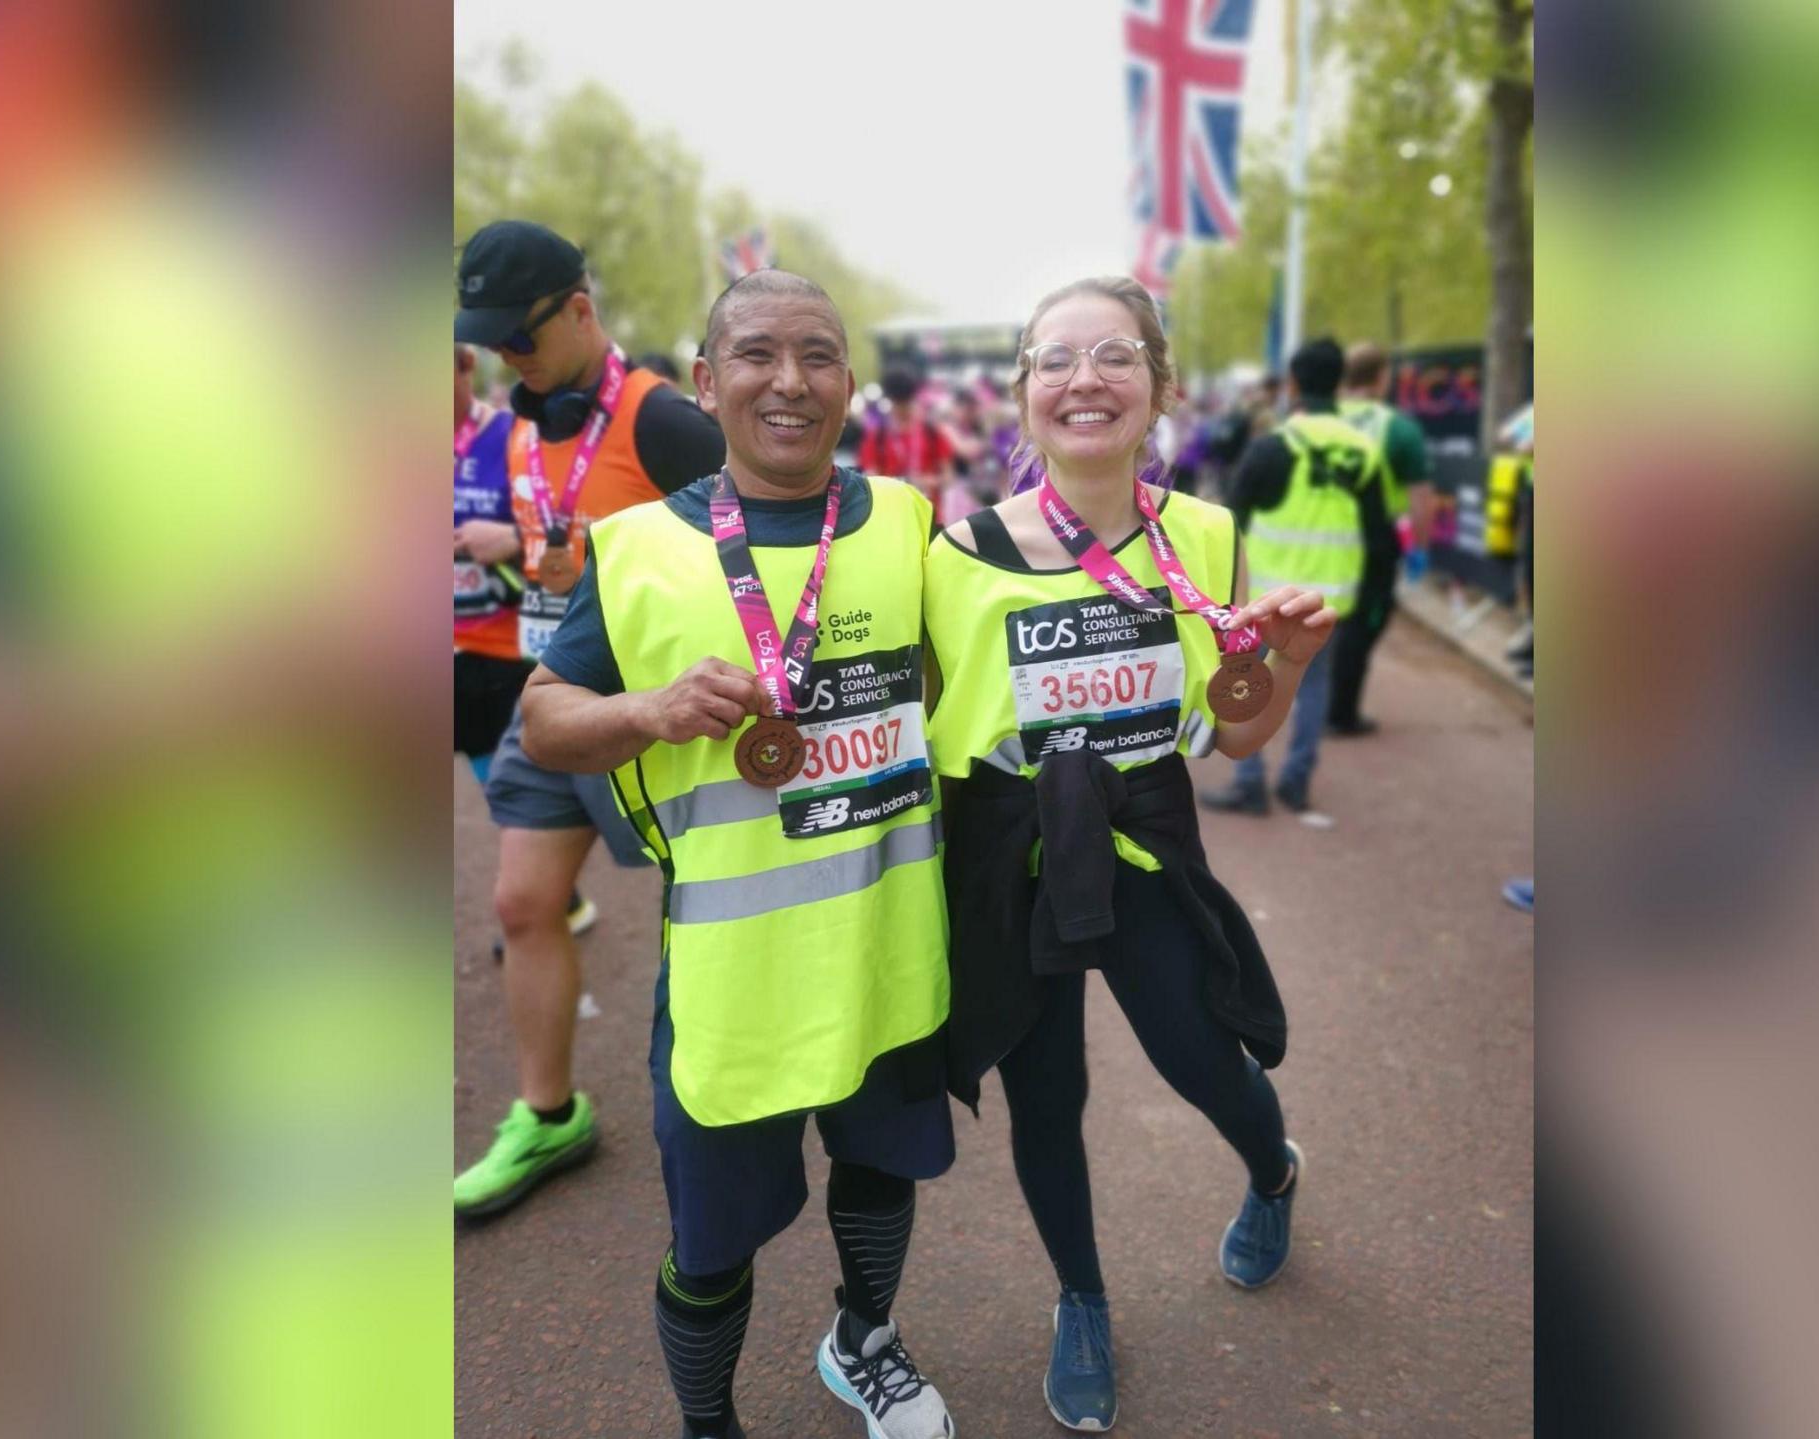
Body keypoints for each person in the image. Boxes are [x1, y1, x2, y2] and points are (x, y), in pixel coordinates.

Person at [518, 269, 958, 1439]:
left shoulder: (909, 522)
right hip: (732, 981)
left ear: (850, 385)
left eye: (818, 354)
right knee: (710, 1243)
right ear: (708, 382)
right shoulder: (638, 548)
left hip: (887, 951)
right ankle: (709, 1422)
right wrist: (646, 710)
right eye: (758, 354)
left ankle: (862, 1339)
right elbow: (544, 715)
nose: (790, 380)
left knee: (884, 1170)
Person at [924, 275, 1331, 1431]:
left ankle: (1275, 1170)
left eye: (1112, 356)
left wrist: (1290, 664)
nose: (1082, 379)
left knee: (1203, 1059)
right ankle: (1082, 1299)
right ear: (1021, 395)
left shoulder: (1203, 533)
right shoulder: (951, 552)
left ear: (1160, 390)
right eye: (1053, 359)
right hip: (1011, 852)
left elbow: (1236, 724)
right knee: (1045, 1097)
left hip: (1144, 836)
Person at [451, 219, 727, 1219]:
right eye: (487, 343)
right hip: (549, 697)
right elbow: (558, 557)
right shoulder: (523, 421)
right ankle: (549, 1111)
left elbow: (749, 545)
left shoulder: (663, 421)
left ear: (579, 309)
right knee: (522, 903)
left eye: (517, 338)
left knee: (700, 908)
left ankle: (738, 1091)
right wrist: (520, 554)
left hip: (659, 715)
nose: (502, 360)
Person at [1201, 338, 1383, 815]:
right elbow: (1379, 530)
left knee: (1248, 682)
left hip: (1265, 595)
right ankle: (1297, 779)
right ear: (1340, 382)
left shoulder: (1273, 446)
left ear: (1294, 383)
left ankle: (1249, 782)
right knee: (1314, 686)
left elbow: (1230, 518)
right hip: (1328, 596)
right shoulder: (1363, 449)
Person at [1329, 342, 1436, 735]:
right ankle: (1341, 712)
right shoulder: (1397, 428)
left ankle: (1316, 699)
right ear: (1381, 377)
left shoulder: (1320, 417)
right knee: (1364, 623)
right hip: (1374, 539)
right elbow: (1420, 497)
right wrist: (1420, 547)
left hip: (1318, 534)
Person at [455, 345, 527, 784]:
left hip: (498, 657)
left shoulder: (513, 435)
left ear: (464, 366)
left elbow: (566, 529)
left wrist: (513, 540)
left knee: (511, 794)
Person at [858, 366, 957, 519]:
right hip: (891, 516)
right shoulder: (878, 436)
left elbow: (948, 477)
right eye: (897, 403)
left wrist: (928, 482)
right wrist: (898, 484)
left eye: (906, 402)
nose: (902, 409)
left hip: (929, 516)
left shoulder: (931, 432)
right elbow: (870, 477)